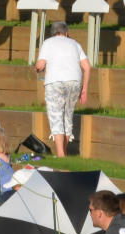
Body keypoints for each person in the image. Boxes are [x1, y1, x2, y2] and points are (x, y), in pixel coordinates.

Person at [35, 21, 91, 157]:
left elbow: (40, 65)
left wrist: (38, 68)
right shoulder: (75, 44)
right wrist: (84, 89)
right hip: (74, 82)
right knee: (67, 117)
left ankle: (60, 154)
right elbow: (87, 67)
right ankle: (64, 153)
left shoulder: (48, 43)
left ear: (53, 33)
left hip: (55, 82)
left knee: (56, 116)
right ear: (66, 33)